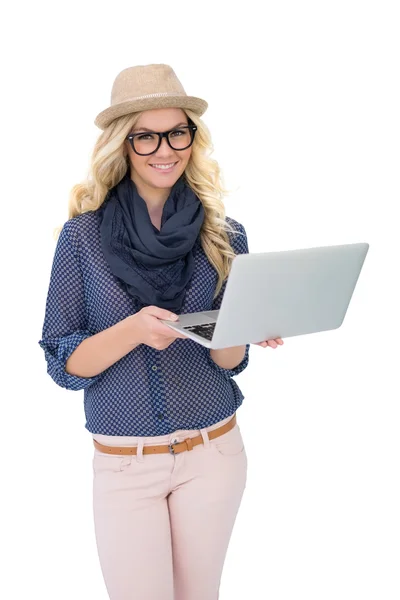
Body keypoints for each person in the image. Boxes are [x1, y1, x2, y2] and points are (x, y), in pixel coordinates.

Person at [38, 63, 283, 600]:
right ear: (121, 145)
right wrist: (130, 331)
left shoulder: (225, 235)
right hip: (126, 464)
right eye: (145, 135)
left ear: (193, 139)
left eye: (177, 132)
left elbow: (228, 363)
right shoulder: (82, 238)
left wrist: (242, 328)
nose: (164, 148)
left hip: (214, 453)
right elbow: (63, 361)